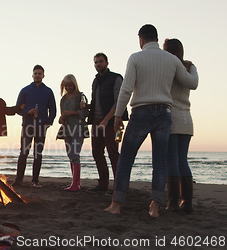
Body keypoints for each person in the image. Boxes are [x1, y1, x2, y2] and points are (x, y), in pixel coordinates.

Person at [105, 24, 198, 217]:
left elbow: (126, 89)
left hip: (141, 112)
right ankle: (154, 207)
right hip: (165, 113)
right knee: (160, 162)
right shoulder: (171, 59)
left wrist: (117, 116)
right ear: (157, 38)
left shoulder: (136, 57)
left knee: (126, 160)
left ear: (141, 39)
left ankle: (116, 205)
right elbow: (190, 82)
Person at [86, 53, 128, 196]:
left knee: (113, 153)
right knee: (97, 152)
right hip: (97, 122)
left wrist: (106, 119)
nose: (99, 64)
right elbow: (96, 102)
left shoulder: (116, 78)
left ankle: (118, 186)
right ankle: (103, 184)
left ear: (107, 63)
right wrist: (86, 107)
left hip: (111, 122)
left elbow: (119, 102)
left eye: (101, 61)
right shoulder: (95, 81)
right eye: (96, 62)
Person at [163, 38, 198, 214]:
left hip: (171, 117)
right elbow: (194, 84)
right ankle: (187, 203)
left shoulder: (167, 68)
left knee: (172, 160)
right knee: (182, 159)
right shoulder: (190, 67)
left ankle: (173, 203)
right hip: (187, 118)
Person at [11, 65, 57, 188]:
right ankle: (18, 180)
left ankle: (35, 181)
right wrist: (27, 112)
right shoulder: (25, 90)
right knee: (23, 152)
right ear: (32, 75)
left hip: (41, 126)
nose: (37, 75)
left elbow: (53, 109)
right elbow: (18, 109)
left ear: (43, 75)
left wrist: (49, 122)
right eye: (35, 73)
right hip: (27, 125)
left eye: (40, 73)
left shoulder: (48, 91)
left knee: (38, 153)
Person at [56, 74, 89, 191]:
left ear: (74, 85)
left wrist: (73, 112)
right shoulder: (62, 99)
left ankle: (75, 184)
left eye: (70, 85)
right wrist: (61, 119)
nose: (68, 87)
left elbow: (86, 113)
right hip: (67, 129)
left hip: (78, 129)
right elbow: (62, 114)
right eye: (66, 85)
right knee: (70, 155)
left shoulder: (81, 96)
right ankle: (76, 183)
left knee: (75, 154)